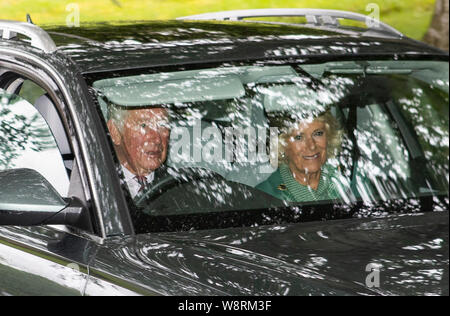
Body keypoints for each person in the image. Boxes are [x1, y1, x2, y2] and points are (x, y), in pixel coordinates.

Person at [256, 109, 351, 202]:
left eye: (318, 133)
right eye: (299, 137)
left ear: (329, 137)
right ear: (282, 145)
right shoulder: (263, 198)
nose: (312, 146)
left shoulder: (348, 182)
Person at [107, 105, 170, 198]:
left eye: (162, 125)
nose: (157, 139)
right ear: (115, 131)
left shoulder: (179, 186)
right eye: (143, 125)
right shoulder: (93, 183)